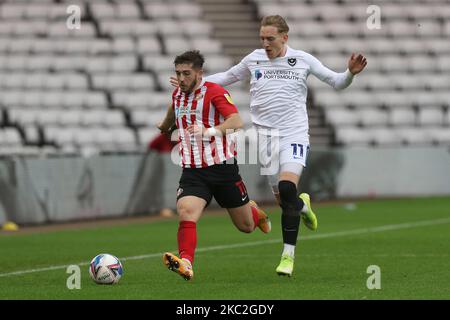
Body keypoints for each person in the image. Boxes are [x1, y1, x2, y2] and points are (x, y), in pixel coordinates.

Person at [171, 15, 367, 277]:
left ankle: (288, 256)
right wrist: (192, 81)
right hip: (266, 139)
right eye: (262, 38)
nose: (265, 43)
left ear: (285, 37)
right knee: (283, 199)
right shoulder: (254, 59)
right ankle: (302, 204)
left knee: (286, 187)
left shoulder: (302, 59)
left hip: (294, 134)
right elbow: (227, 77)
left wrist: (350, 74)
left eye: (270, 38)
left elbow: (337, 82)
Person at [158, 50, 271, 281]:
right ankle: (186, 262)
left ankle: (252, 210)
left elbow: (236, 122)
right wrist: (165, 125)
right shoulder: (178, 94)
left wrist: (207, 131)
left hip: (222, 168)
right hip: (192, 170)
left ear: (200, 73)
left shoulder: (215, 92)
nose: (181, 78)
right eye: (178, 73)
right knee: (186, 212)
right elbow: (174, 109)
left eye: (186, 73)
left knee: (246, 227)